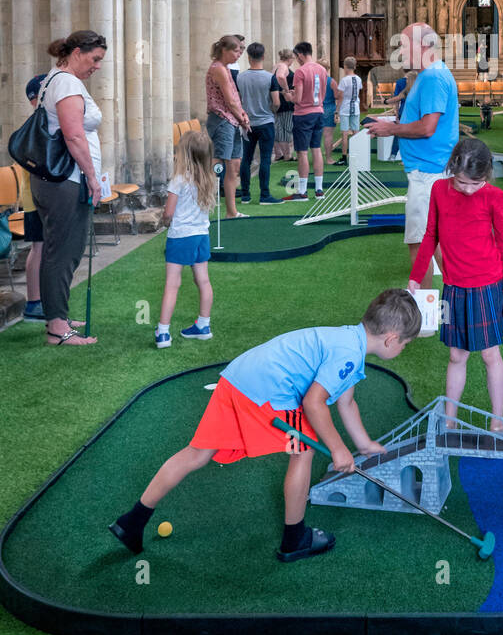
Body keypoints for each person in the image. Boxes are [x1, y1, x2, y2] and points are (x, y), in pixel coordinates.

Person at [110, 289, 421, 562]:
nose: (403, 348)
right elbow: (314, 403)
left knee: (197, 453)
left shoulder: (347, 338)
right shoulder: (350, 355)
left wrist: (364, 445)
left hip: (237, 379)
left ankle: (132, 521)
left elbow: (346, 401)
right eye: (405, 343)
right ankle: (294, 539)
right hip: (266, 392)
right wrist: (339, 450)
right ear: (391, 339)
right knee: (303, 452)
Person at [408, 139, 503, 432]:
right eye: (462, 182)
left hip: (487, 285)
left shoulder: (494, 196)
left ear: (486, 177)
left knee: (490, 354)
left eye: (476, 183)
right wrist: (416, 277)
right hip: (455, 286)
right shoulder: (438, 191)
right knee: (456, 355)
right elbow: (431, 235)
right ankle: (450, 419)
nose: (468, 189)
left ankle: (498, 420)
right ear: (451, 169)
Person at [29, 30, 107, 348]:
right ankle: (57, 329)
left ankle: (58, 316)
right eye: (95, 59)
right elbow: (74, 136)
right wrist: (91, 176)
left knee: (66, 250)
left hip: (60, 180)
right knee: (61, 252)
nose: (97, 66)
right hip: (65, 180)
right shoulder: (66, 83)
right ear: (77, 52)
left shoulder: (56, 80)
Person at [368, 24, 459, 288]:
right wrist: (390, 124)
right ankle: (451, 302)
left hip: (429, 171)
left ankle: (425, 313)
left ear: (424, 46)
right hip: (430, 169)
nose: (400, 50)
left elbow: (427, 128)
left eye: (404, 44)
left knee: (419, 243)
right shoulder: (430, 75)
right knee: (431, 241)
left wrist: (390, 128)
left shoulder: (432, 77)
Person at [155, 130, 217, 349]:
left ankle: (163, 332)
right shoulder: (211, 178)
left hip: (180, 236)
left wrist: (163, 221)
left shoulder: (179, 180)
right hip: (202, 235)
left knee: (172, 285)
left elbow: (169, 213)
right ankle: (203, 325)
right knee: (203, 281)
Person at [206, 36, 252, 219]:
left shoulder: (225, 68)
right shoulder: (218, 69)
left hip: (232, 121)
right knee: (216, 166)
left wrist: (243, 114)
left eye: (240, 51)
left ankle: (231, 211)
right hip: (222, 120)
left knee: (234, 166)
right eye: (235, 50)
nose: (238, 54)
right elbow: (229, 100)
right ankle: (204, 205)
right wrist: (243, 119)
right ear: (224, 50)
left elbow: (235, 98)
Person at [237, 43, 282, 206]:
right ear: (263, 57)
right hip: (265, 122)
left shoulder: (240, 77)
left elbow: (237, 101)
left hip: (247, 123)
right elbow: (276, 102)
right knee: (264, 159)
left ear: (248, 57)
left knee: (246, 159)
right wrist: (271, 109)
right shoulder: (270, 77)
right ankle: (264, 194)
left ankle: (245, 195)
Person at [19, 75, 47, 323]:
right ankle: (33, 302)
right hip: (34, 197)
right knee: (38, 247)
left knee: (45, 247)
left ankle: (44, 300)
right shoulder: (34, 125)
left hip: (40, 196)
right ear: (35, 100)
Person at [290, 42, 328, 201]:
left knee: (302, 152)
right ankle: (319, 190)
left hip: (303, 114)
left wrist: (289, 96)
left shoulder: (300, 71)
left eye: (296, 56)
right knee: (316, 149)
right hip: (318, 111)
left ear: (300, 55)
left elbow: (297, 99)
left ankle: (303, 191)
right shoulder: (322, 69)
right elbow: (324, 93)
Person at [334, 56, 363, 164]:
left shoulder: (344, 80)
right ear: (354, 67)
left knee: (345, 133)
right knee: (356, 132)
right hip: (355, 107)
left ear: (345, 67)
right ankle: (358, 156)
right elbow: (358, 91)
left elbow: (340, 97)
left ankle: (344, 158)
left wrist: (337, 110)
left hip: (345, 108)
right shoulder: (358, 78)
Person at [272, 49, 296, 162]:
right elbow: (280, 77)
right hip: (285, 100)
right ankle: (287, 155)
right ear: (290, 58)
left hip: (277, 97)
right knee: (286, 127)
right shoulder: (283, 66)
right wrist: (286, 90)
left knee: (279, 127)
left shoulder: (276, 65)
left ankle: (279, 154)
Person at [319, 60, 339, 164]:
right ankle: (328, 158)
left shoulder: (314, 81)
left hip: (316, 108)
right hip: (329, 108)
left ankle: (317, 158)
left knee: (316, 135)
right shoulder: (331, 81)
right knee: (328, 135)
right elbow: (337, 96)